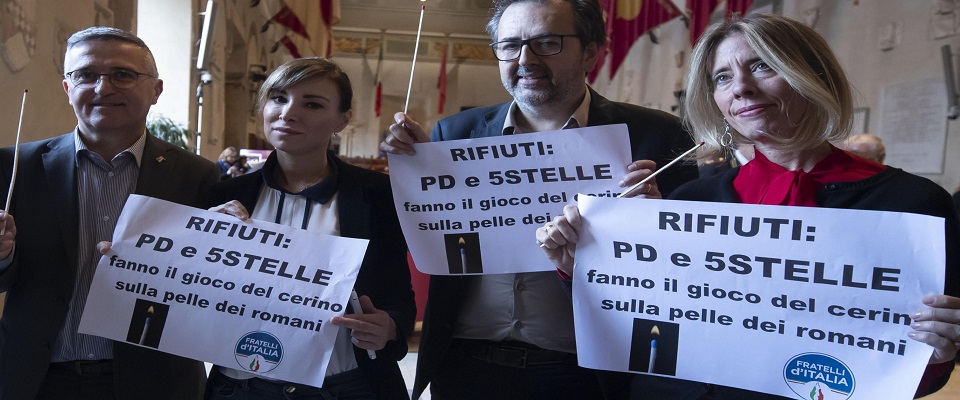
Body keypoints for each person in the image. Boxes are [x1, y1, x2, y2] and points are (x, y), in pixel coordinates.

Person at [538, 13, 960, 399]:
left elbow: (916, 370)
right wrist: (587, 266)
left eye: (762, 65)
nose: (740, 87)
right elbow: (640, 330)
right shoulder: (691, 203)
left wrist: (938, 351)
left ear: (812, 76)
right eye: (722, 77)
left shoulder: (914, 206)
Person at [380, 1, 698, 399]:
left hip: (585, 373)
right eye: (509, 45)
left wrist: (657, 217)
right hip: (464, 368)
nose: (525, 59)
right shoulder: (454, 133)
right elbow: (432, 239)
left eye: (546, 42)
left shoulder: (658, 135)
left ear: (590, 52)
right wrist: (415, 175)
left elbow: (687, 267)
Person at [0, 27, 218, 399]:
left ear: (156, 90)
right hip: (38, 379)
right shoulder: (16, 166)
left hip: (154, 380)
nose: (103, 88)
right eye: (86, 75)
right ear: (68, 89)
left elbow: (210, 286)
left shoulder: (197, 175)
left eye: (123, 74)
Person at [204, 57, 415, 400]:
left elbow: (398, 293)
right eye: (278, 98)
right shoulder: (224, 195)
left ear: (342, 119)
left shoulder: (378, 195)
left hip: (345, 387)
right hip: (241, 387)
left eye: (312, 104)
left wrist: (390, 326)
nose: (288, 113)